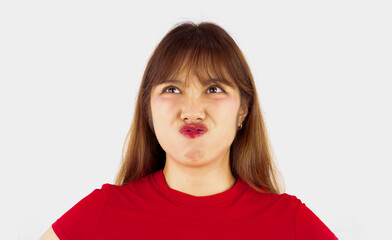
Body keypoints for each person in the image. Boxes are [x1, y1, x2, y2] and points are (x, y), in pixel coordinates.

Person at [40, 21, 338, 240]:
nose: (193, 110)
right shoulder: (101, 213)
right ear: (148, 108)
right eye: (172, 88)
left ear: (243, 110)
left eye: (213, 88)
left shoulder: (290, 222)